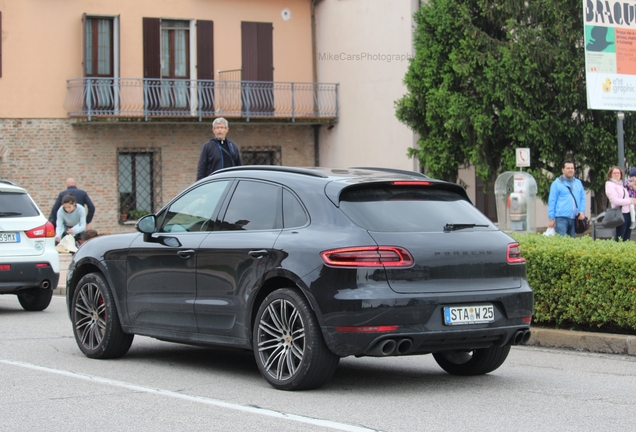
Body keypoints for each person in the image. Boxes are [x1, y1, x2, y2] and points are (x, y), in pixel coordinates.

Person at [547, 160, 587, 237]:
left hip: (574, 218)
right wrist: (551, 218)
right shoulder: (556, 184)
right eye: (568, 168)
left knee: (571, 243)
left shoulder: (578, 183)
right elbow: (552, 201)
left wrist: (582, 211)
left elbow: (582, 198)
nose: (570, 170)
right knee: (562, 241)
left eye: (572, 168)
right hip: (561, 218)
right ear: (563, 170)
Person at [605, 166, 636, 241]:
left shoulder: (621, 184)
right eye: (614, 173)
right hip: (620, 214)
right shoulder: (609, 184)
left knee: (627, 238)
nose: (616, 174)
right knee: (619, 238)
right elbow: (616, 201)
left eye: (618, 173)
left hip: (628, 213)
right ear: (610, 174)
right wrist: (630, 200)